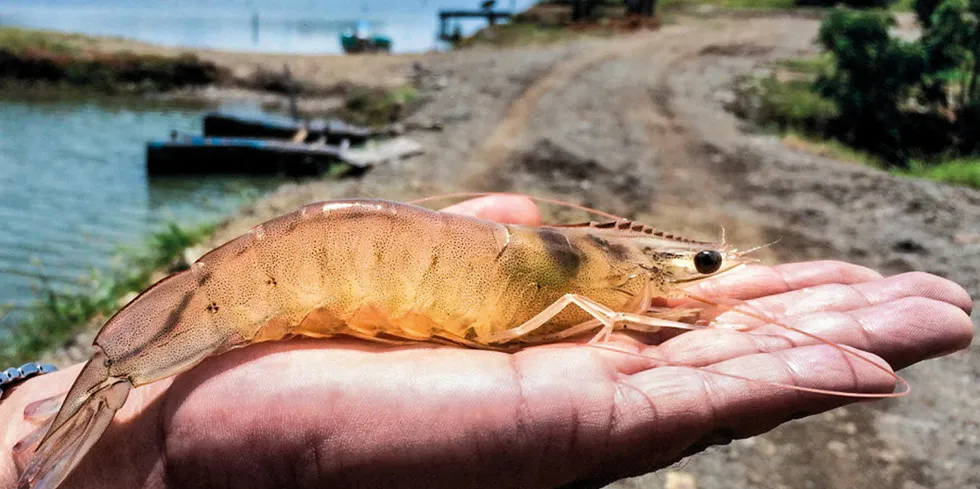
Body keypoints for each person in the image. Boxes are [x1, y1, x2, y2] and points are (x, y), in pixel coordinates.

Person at [0, 195, 973, 489]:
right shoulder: (571, 287)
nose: (691, 278)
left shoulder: (575, 264)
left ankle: (62, 411)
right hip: (277, 277)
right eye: (696, 268)